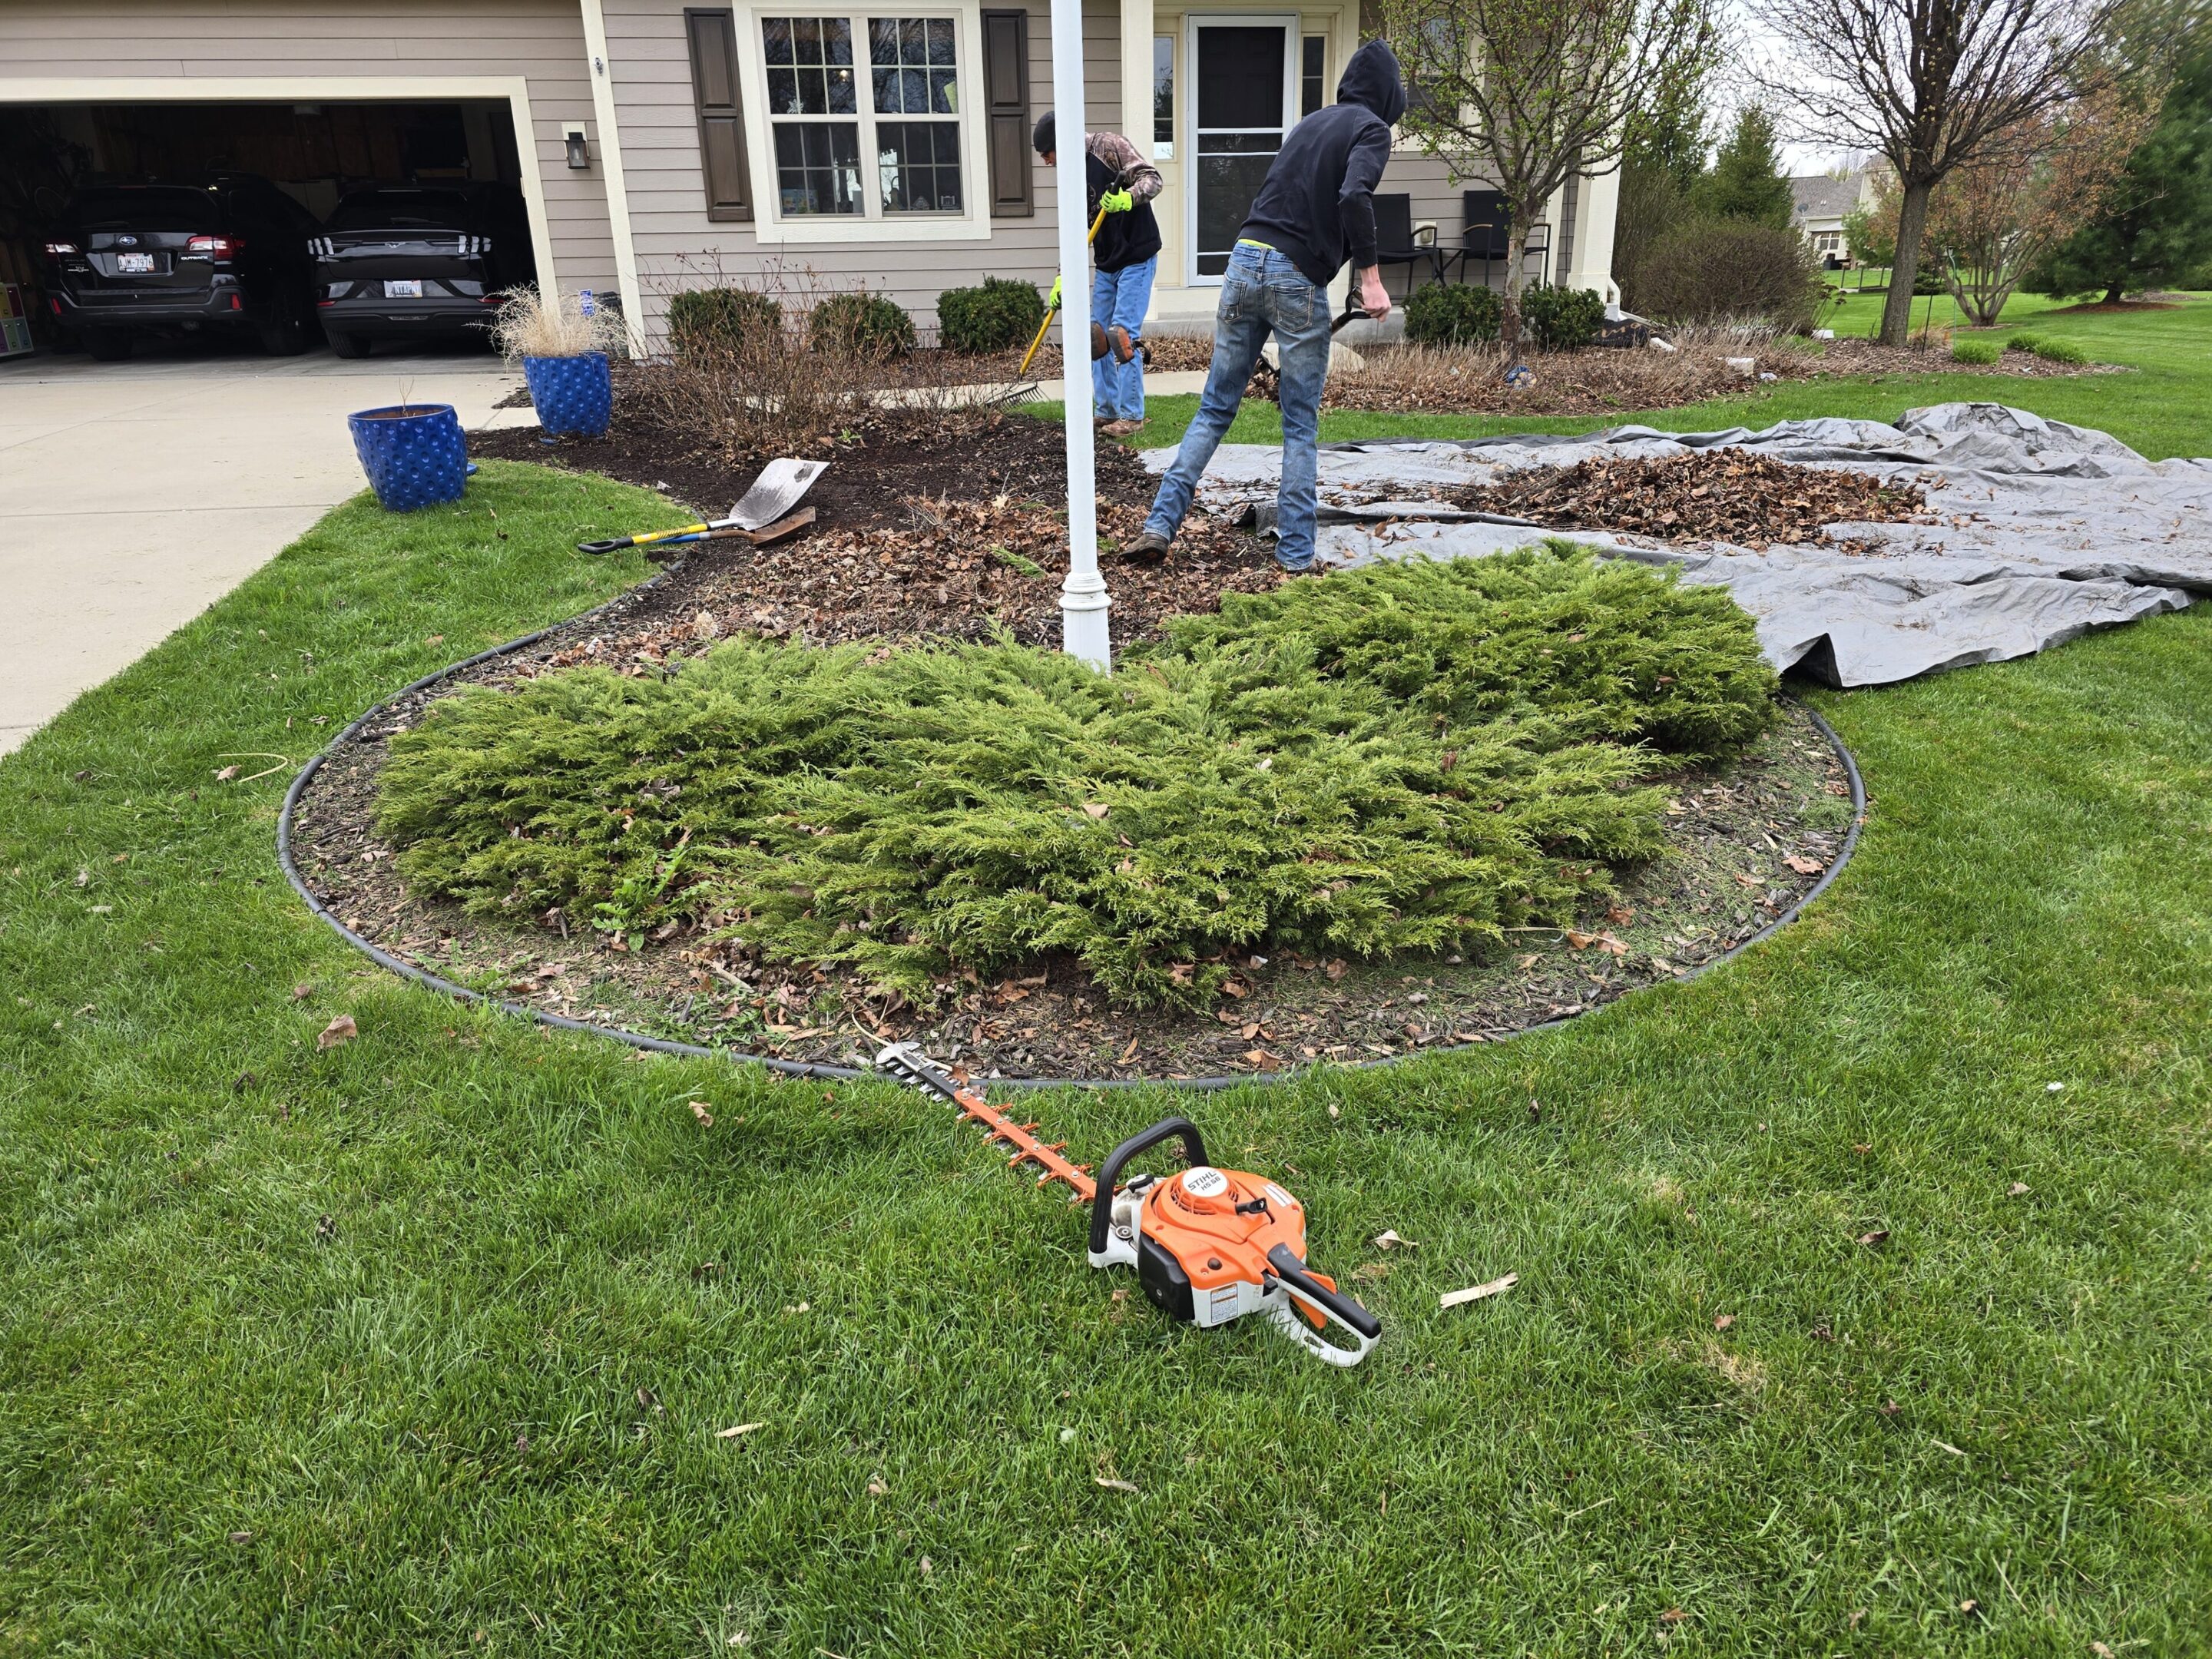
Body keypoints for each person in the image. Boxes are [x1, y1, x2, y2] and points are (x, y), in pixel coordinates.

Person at [1121, 40, 1405, 571]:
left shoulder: (1311, 124)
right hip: (1295, 275)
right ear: (1389, 96)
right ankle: (1296, 558)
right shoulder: (1372, 130)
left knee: (1213, 409)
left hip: (1244, 257)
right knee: (1300, 425)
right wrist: (1370, 278)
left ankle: (1159, 525)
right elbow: (1353, 196)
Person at [1034, 111, 1163, 436]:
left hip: (1136, 255)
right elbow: (1075, 234)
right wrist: (1063, 276)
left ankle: (1132, 416)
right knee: (1096, 337)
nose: (1046, 162)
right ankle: (1107, 411)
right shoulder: (1070, 177)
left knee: (1122, 335)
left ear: (1059, 143)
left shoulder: (1108, 147)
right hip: (1108, 263)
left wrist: (1127, 198)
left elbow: (1153, 179)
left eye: (1047, 154)